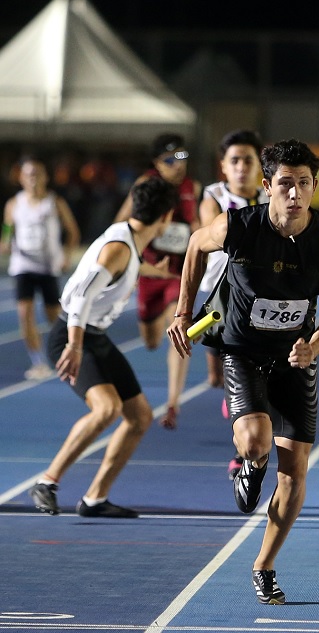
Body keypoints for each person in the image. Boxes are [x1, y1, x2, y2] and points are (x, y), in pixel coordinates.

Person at [167, 139, 319, 604]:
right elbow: (193, 245)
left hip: (296, 359)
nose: (295, 194)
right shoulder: (239, 226)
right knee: (256, 440)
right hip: (244, 351)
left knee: (295, 475)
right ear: (267, 186)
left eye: (304, 184)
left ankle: (264, 565)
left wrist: (315, 346)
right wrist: (182, 312)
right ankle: (251, 463)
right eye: (285, 184)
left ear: (314, 188)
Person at [28, 177, 179, 518]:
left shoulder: (129, 240)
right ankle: (47, 482)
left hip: (94, 336)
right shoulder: (119, 247)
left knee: (139, 417)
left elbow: (122, 268)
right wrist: (76, 346)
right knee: (106, 409)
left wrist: (155, 270)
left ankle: (95, 498)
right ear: (167, 216)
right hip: (72, 335)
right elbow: (81, 295)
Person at [114, 134, 201, 429]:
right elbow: (121, 223)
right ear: (156, 164)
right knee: (151, 340)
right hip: (150, 271)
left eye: (182, 156)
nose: (178, 165)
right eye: (170, 160)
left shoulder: (193, 188)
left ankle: (173, 401)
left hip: (177, 273)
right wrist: (130, 266)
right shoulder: (145, 185)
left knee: (179, 327)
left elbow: (197, 225)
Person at [198, 129, 270, 479]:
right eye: (235, 160)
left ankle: (242, 454)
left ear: (259, 166)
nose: (242, 167)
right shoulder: (213, 196)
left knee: (246, 376)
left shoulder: (268, 198)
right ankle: (240, 407)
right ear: (223, 167)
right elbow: (210, 236)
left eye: (248, 160)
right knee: (218, 379)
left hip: (256, 298)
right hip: (219, 298)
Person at [1, 156, 80, 380]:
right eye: (28, 174)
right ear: (21, 178)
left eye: (37, 173)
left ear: (45, 177)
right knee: (24, 314)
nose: (32, 178)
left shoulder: (55, 202)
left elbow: (73, 232)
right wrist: (5, 242)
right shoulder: (14, 203)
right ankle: (37, 362)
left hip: (48, 267)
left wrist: (66, 256)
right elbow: (7, 227)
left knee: (53, 317)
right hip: (22, 265)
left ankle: (66, 354)